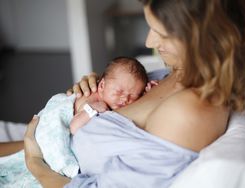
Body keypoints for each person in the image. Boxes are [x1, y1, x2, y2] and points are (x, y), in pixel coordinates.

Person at [22, 0, 245, 187]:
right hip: (57, 143)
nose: (149, 43)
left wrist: (34, 162)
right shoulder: (178, 72)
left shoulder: (188, 113)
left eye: (161, 33)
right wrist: (97, 90)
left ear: (201, 39)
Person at [0, 56, 149, 187]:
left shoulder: (117, 93)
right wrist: (91, 110)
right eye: (119, 92)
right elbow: (74, 126)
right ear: (102, 85)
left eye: (133, 96)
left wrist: (144, 93)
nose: (125, 99)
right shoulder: (93, 101)